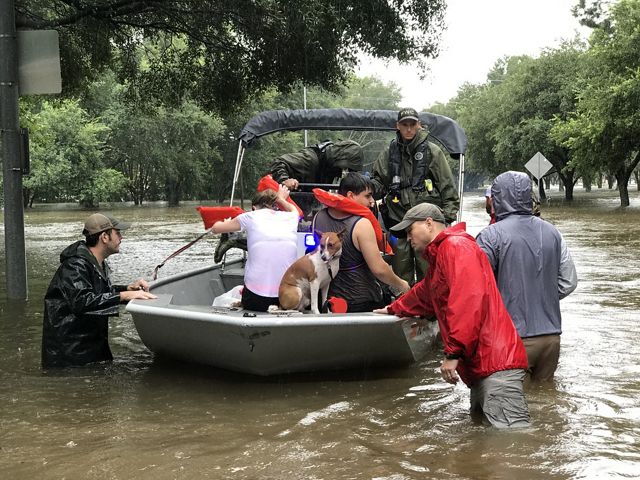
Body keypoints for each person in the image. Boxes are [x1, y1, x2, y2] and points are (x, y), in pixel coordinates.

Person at [374, 203, 530, 428]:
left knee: (510, 446)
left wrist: (453, 353)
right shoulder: (442, 255)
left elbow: (468, 301)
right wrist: (393, 309)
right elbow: (425, 294)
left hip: (496, 365)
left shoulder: (455, 247)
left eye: (410, 231)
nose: (408, 238)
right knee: (488, 441)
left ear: (429, 223)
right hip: (485, 366)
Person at [476, 171, 578, 382]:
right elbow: (569, 282)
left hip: (511, 337)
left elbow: (476, 285)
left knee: (513, 408)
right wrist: (540, 296)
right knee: (546, 400)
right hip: (551, 338)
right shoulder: (553, 232)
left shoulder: (490, 235)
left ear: (498, 198)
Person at [42, 213, 157, 368]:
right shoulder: (75, 266)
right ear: (104, 237)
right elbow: (82, 302)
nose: (121, 238)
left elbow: (97, 293)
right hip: (70, 357)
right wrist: (124, 295)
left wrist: (127, 289)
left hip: (88, 350)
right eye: (118, 233)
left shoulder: (95, 262)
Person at [371, 107, 460, 285]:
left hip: (426, 225)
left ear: (418, 125)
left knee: (430, 273)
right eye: (405, 125)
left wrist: (447, 219)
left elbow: (447, 187)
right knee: (400, 276)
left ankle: (430, 310)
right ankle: (402, 308)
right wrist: (366, 188)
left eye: (412, 124)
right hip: (398, 222)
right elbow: (378, 182)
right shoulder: (389, 153)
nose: (409, 129)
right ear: (398, 126)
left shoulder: (432, 152)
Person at [313, 173, 410, 312]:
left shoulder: (318, 217)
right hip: (361, 302)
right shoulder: (362, 224)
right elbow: (379, 269)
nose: (371, 201)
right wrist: (402, 285)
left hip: (327, 302)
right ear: (351, 195)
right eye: (367, 196)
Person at [211, 185, 299, 312]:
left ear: (254, 208)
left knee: (240, 291)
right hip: (286, 298)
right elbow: (293, 209)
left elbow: (215, 229)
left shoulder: (249, 216)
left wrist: (222, 222)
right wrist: (281, 198)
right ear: (275, 204)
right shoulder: (291, 217)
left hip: (256, 299)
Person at [269, 139, 364, 191]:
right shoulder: (309, 159)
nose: (344, 171)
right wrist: (285, 180)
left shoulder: (328, 169)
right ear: (339, 159)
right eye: (345, 168)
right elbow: (278, 162)